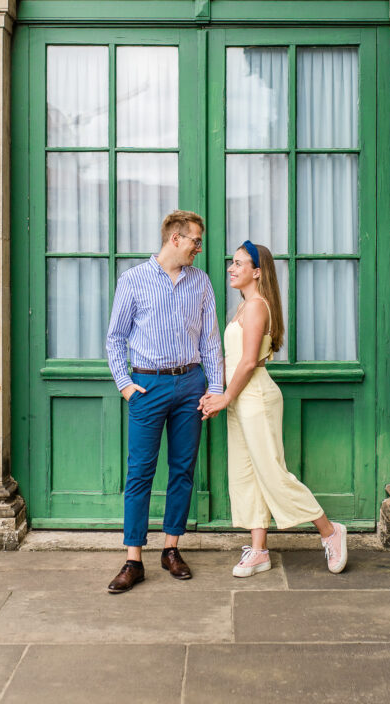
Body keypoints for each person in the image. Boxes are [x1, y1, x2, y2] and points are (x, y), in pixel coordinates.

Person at [199, 240, 348, 577]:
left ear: (257, 271)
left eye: (239, 263)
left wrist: (225, 397)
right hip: (240, 397)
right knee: (246, 474)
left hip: (256, 398)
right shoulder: (244, 306)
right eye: (232, 262)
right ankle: (259, 551)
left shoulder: (256, 306)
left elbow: (249, 362)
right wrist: (216, 392)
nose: (231, 268)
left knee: (272, 473)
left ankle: (330, 531)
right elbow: (232, 359)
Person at [105, 210, 223, 593]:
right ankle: (133, 559)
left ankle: (171, 548)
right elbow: (115, 338)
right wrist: (125, 384)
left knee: (182, 469)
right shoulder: (133, 280)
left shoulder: (201, 282)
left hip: (190, 384)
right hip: (147, 385)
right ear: (175, 239)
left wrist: (215, 387)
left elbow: (210, 340)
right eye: (195, 241)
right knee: (140, 472)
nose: (198, 248)